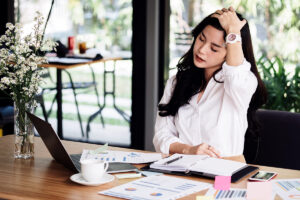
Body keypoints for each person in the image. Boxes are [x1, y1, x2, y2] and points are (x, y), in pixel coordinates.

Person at [153, 7, 266, 158]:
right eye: (201, 39)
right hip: (180, 168)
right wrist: (188, 149)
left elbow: (236, 75)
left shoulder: (243, 83)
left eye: (214, 48)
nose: (202, 50)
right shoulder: (177, 82)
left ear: (229, 52)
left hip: (225, 172)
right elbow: (161, 135)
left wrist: (233, 30)